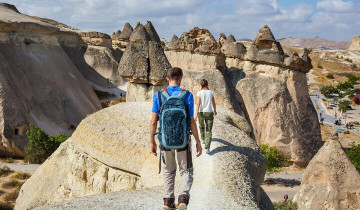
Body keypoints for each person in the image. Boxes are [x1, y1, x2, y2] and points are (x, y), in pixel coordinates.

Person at [150, 67, 202, 210]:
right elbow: (192, 121)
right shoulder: (187, 95)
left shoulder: (158, 95)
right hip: (183, 141)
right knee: (186, 170)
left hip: (165, 141)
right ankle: (183, 199)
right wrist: (198, 141)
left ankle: (168, 201)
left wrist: (152, 142)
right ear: (180, 78)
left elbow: (154, 121)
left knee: (168, 170)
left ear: (167, 78)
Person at [194, 79, 217, 155]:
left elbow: (198, 104)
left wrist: (196, 115)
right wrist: (215, 110)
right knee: (209, 130)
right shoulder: (211, 92)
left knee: (201, 126)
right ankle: (207, 148)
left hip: (201, 112)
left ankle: (203, 139)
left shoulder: (199, 93)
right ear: (207, 84)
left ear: (201, 85)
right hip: (209, 112)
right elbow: (213, 103)